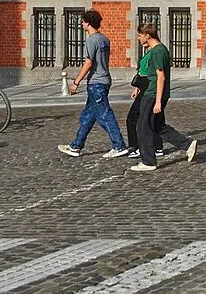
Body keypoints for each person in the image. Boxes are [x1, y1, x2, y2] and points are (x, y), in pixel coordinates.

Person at [126, 21, 196, 172]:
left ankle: (148, 161)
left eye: (139, 35)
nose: (138, 38)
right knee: (158, 126)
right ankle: (187, 144)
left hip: (152, 94)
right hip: (153, 93)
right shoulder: (159, 49)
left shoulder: (157, 51)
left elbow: (160, 77)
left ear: (147, 35)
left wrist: (157, 101)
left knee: (142, 126)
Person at [60, 9, 128, 159]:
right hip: (104, 79)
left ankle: (119, 145)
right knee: (88, 116)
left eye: (83, 21)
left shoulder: (91, 40)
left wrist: (76, 82)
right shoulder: (104, 38)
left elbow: (89, 62)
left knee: (105, 114)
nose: (82, 24)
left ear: (88, 23)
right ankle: (76, 145)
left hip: (97, 82)